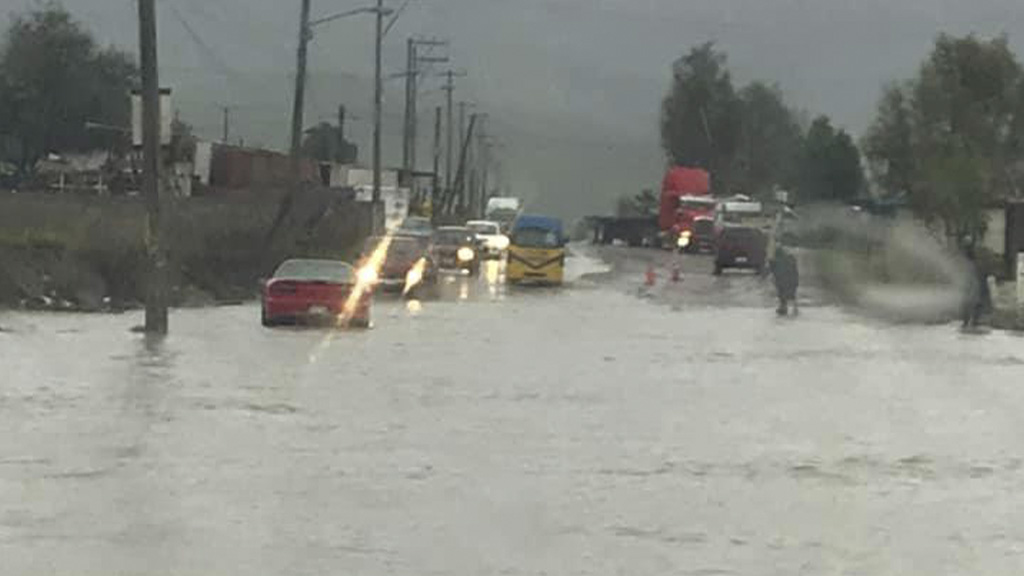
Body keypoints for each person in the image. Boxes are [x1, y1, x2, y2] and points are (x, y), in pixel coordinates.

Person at [961, 246, 991, 329]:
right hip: (975, 291)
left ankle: (968, 323)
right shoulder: (975, 265)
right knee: (975, 306)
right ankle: (971, 323)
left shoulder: (969, 266)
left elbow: (970, 280)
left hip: (973, 291)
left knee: (970, 306)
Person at [771, 246, 799, 316]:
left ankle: (784, 308)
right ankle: (793, 308)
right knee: (791, 295)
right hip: (791, 281)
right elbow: (794, 270)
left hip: (783, 282)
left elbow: (773, 271)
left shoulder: (776, 261)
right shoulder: (789, 259)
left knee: (782, 295)